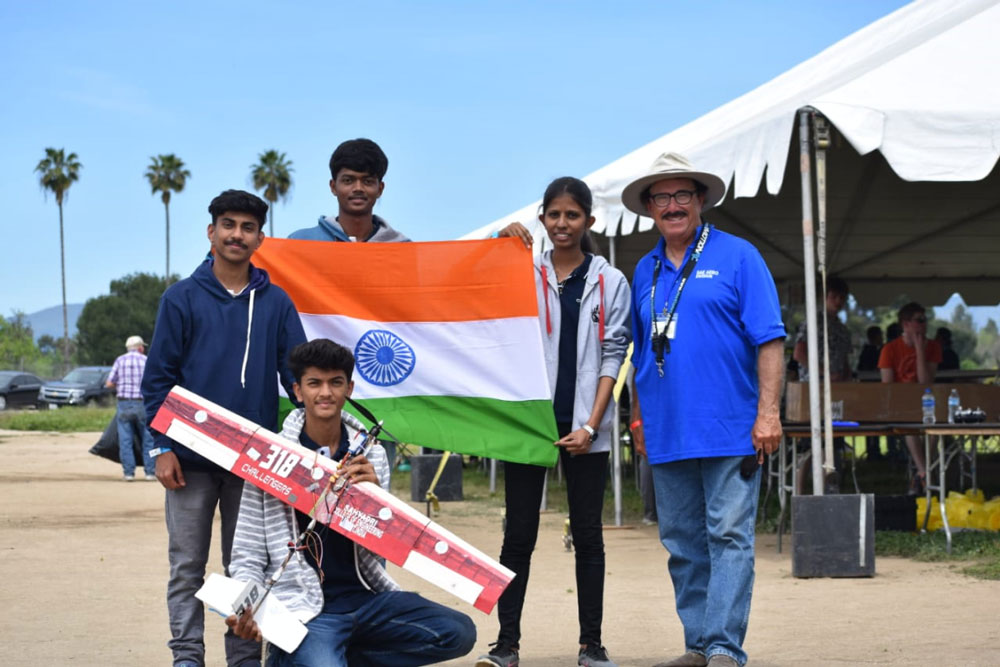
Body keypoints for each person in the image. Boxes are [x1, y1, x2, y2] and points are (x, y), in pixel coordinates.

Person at [622, 153, 785, 667]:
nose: (673, 206)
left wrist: (769, 413)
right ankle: (697, 644)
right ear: (650, 207)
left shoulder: (739, 256)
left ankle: (723, 647)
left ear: (701, 202)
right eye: (662, 197)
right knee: (683, 543)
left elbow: (771, 341)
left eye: (683, 196)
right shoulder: (643, 269)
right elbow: (640, 352)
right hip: (667, 431)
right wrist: (637, 418)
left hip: (732, 428)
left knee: (730, 537)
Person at [226, 339, 476, 666]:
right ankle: (294, 656)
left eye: (335, 382)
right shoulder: (270, 457)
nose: (325, 393)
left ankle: (333, 658)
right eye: (314, 383)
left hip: (366, 598)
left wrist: (374, 500)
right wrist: (249, 604)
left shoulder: (371, 456)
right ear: (298, 391)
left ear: (350, 388)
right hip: (306, 609)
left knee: (458, 632)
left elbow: (382, 547)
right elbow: (247, 551)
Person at [142, 189, 307, 667]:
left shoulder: (276, 302)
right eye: (229, 225)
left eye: (248, 227)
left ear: (260, 237)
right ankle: (188, 656)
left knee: (246, 568)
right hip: (188, 462)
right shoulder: (180, 299)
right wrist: (161, 448)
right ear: (211, 231)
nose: (238, 234)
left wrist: (313, 427)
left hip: (253, 466)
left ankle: (242, 658)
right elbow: (158, 382)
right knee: (187, 566)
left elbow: (295, 375)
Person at [477, 177, 631, 667]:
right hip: (529, 426)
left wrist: (592, 423)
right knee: (517, 535)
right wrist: (498, 242)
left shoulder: (611, 281)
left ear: (589, 220)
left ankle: (592, 643)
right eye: (553, 214)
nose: (562, 224)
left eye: (572, 215)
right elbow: (473, 292)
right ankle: (507, 643)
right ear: (541, 217)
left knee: (588, 535)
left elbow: (614, 354)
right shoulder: (522, 271)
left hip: (587, 430)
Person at [288, 138, 409, 243]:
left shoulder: (402, 248)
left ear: (380, 189)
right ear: (333, 187)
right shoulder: (300, 242)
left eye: (367, 181)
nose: (358, 188)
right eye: (348, 180)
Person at [878, 302, 942, 493]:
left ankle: (922, 473)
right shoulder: (889, 349)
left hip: (927, 403)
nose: (924, 324)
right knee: (909, 429)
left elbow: (925, 382)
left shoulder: (933, 347)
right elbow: (887, 387)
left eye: (925, 320)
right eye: (919, 320)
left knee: (933, 432)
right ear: (905, 324)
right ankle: (925, 474)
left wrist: (920, 351)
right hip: (901, 405)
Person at [106, 334, 156, 481]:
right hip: (143, 403)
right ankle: (150, 472)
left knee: (125, 440)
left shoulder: (120, 360)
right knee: (148, 439)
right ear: (140, 348)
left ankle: (128, 473)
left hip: (124, 404)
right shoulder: (146, 360)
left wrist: (122, 385)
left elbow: (109, 383)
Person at [792, 276, 851, 382]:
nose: (838, 301)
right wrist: (824, 372)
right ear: (824, 297)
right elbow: (799, 353)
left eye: (842, 297)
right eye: (834, 296)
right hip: (813, 384)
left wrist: (847, 377)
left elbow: (845, 359)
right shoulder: (812, 322)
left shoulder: (843, 329)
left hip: (838, 385)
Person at [856, 326, 885, 459]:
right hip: (870, 391)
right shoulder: (868, 351)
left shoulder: (880, 349)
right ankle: (873, 451)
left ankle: (876, 450)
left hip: (878, 391)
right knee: (870, 421)